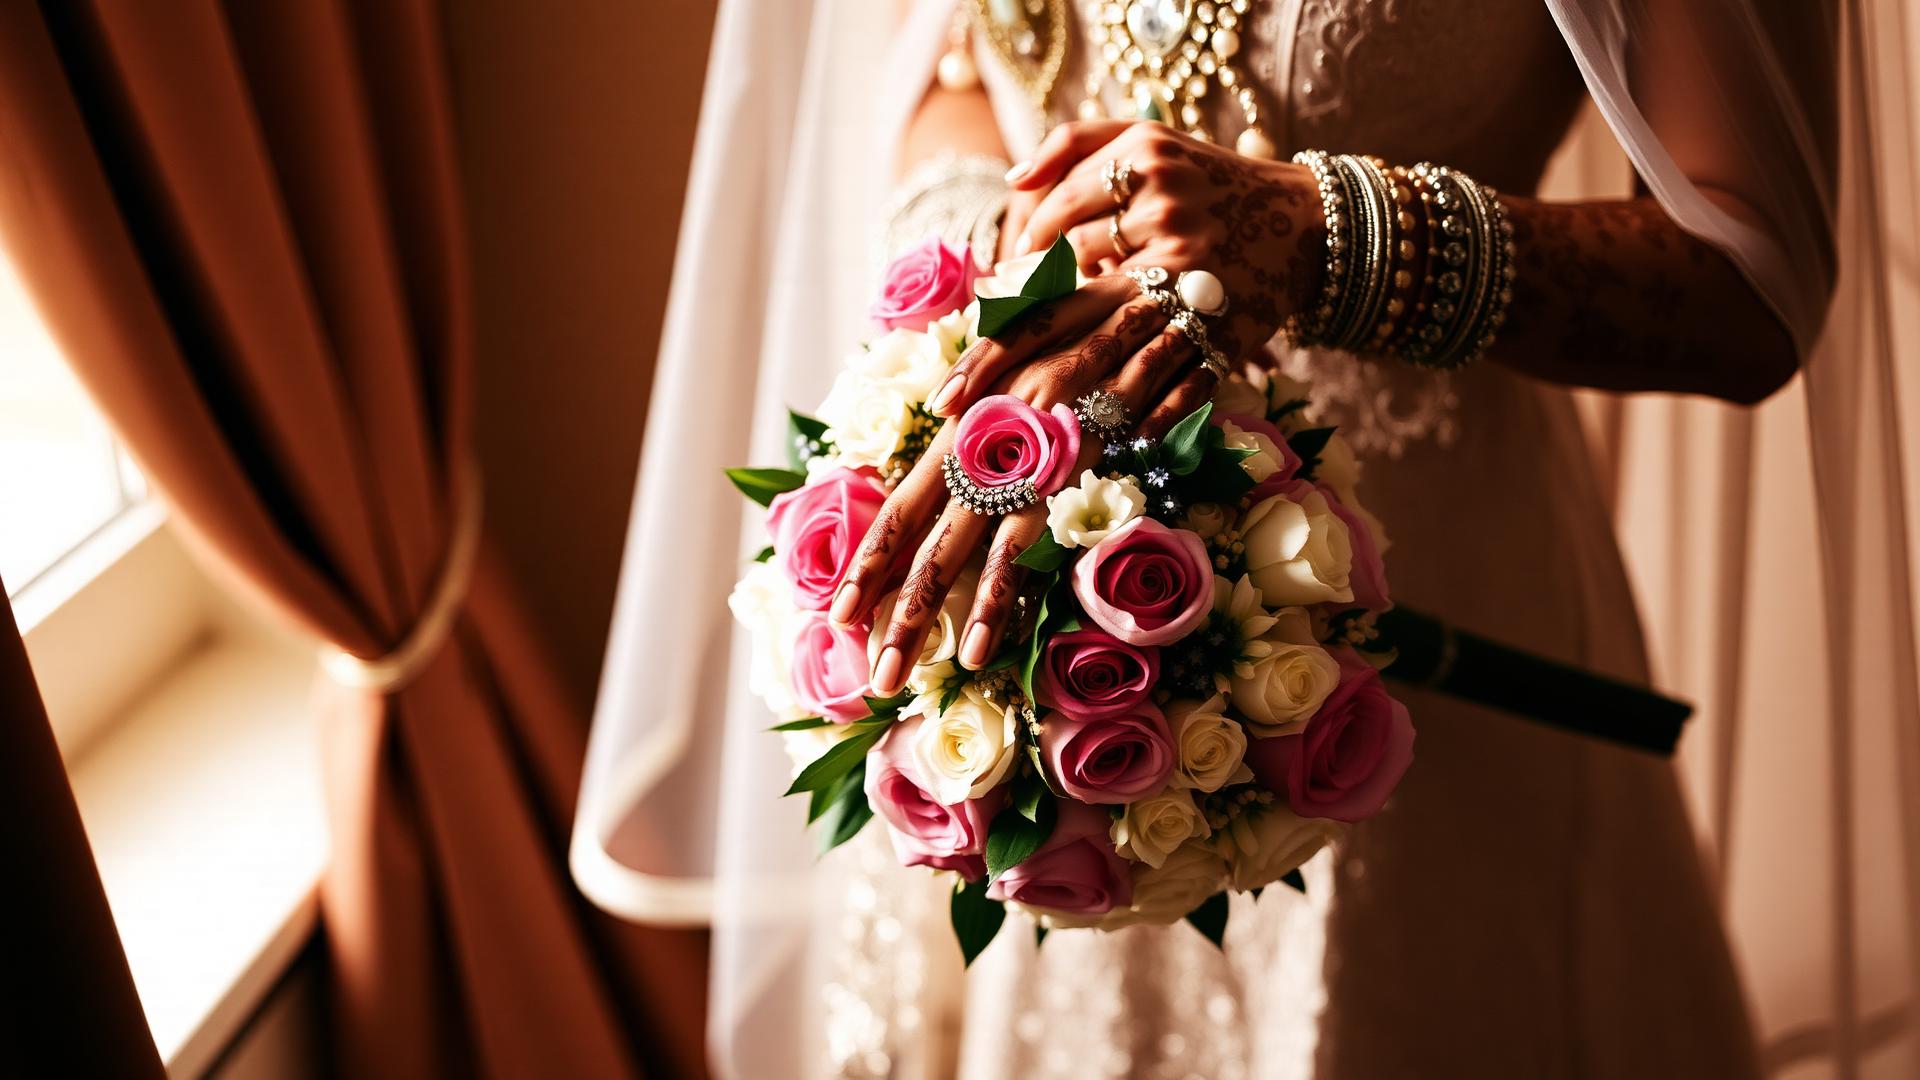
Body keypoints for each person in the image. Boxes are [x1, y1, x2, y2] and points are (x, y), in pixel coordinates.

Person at [576, 2, 1879, 1077]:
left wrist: (1318, 242)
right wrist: (1003, 276)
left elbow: (1749, 282)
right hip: (1030, 569)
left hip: (1429, 641)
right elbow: (956, 57)